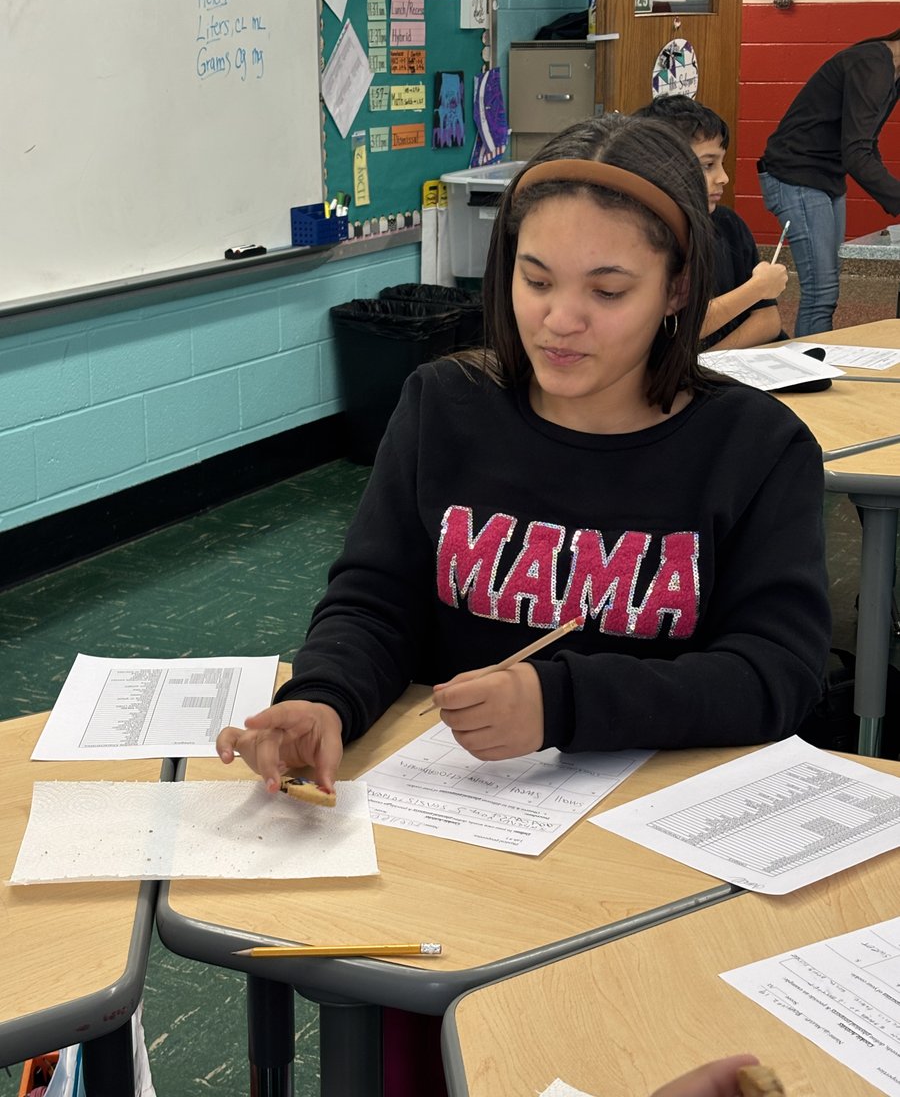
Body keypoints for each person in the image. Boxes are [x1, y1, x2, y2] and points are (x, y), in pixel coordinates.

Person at [217, 113, 830, 795]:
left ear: (678, 289)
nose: (560, 321)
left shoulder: (757, 448)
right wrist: (325, 697)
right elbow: (375, 602)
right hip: (455, 804)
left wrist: (561, 703)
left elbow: (777, 672)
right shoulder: (444, 406)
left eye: (608, 291)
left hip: (655, 817)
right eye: (536, 281)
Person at [758, 30, 900, 335]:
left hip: (826, 177)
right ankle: (809, 365)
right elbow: (857, 154)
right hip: (796, 175)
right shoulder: (873, 64)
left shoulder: (891, 72)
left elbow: (865, 144)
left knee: (827, 291)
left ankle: (818, 359)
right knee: (820, 293)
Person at [632, 95, 786, 350]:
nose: (723, 177)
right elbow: (675, 328)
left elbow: (768, 321)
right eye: (708, 165)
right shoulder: (644, 237)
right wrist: (758, 288)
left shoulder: (728, 224)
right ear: (663, 166)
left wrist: (707, 365)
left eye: (721, 163)